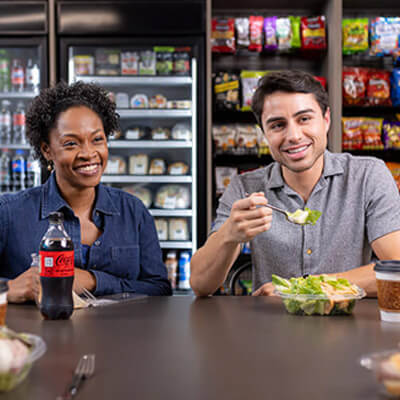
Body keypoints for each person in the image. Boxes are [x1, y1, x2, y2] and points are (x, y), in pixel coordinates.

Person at [191, 70, 400, 297]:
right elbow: (200, 284)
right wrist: (228, 235)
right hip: (272, 328)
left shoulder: (368, 175)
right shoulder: (245, 188)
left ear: (326, 120)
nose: (294, 136)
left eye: (304, 119)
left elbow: (396, 269)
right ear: (264, 134)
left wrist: (300, 289)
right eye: (278, 125)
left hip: (350, 325)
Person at [0, 81, 172, 303]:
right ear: (47, 150)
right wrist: (8, 289)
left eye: (97, 140)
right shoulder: (9, 214)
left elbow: (159, 290)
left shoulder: (133, 212)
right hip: (39, 338)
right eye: (71, 143)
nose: (88, 153)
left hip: (121, 337)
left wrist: (92, 280)